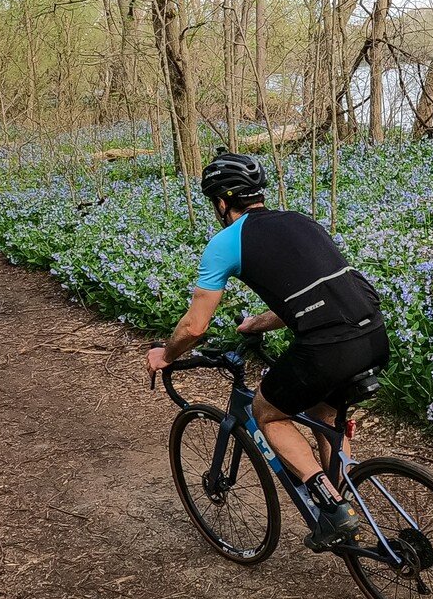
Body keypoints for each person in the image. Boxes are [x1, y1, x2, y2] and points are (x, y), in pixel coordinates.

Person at [145, 147, 387, 549]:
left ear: (221, 202)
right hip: (373, 334)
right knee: (323, 410)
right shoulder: (301, 222)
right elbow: (313, 291)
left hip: (328, 346)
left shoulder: (225, 243)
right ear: (257, 193)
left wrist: (165, 355)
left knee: (266, 413)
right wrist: (258, 323)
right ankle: (344, 497)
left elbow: (195, 326)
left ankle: (332, 509)